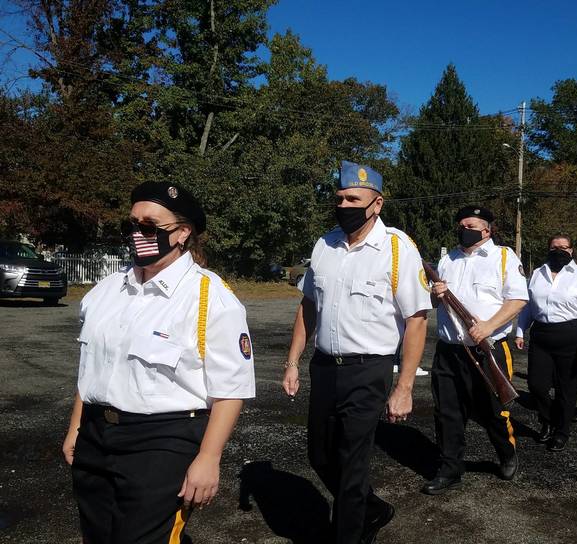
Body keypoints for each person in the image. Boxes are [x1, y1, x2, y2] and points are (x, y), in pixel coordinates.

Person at [62, 181, 256, 544]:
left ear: (182, 233)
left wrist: (209, 458)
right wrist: (76, 427)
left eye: (149, 227)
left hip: (163, 442)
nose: (137, 234)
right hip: (95, 436)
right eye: (131, 225)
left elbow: (231, 388)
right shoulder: (106, 291)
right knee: (98, 536)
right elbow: (91, 366)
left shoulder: (210, 298)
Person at [282, 161, 431, 544]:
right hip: (325, 367)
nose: (344, 205)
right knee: (320, 455)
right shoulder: (325, 245)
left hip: (369, 370)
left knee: (352, 464)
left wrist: (404, 387)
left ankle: (350, 531)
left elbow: (416, 319)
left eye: (354, 199)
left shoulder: (397, 249)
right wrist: (292, 361)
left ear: (376, 204)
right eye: (340, 198)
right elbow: (309, 305)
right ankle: (373, 508)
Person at [421, 206, 529, 495]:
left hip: (489, 349)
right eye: (459, 224)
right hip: (449, 351)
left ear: (486, 230)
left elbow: (518, 300)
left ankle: (506, 453)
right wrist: (434, 295)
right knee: (447, 412)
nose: (462, 228)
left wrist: (489, 326)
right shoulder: (448, 260)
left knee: (494, 411)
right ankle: (450, 468)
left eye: (468, 224)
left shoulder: (504, 257)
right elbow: (432, 305)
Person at [514, 234, 577, 452]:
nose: (559, 250)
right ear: (548, 249)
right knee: (536, 385)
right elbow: (528, 306)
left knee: (566, 388)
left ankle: (561, 431)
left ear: (571, 250)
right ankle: (548, 420)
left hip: (571, 335)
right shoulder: (537, 274)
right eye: (554, 247)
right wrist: (520, 331)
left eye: (564, 247)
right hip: (542, 335)